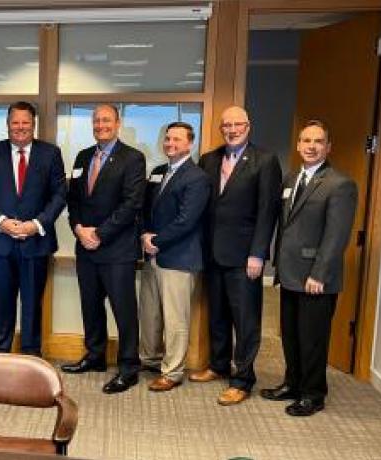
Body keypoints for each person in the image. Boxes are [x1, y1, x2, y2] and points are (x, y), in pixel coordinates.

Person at [261, 120, 357, 416]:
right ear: (299, 145)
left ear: (328, 147)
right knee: (290, 335)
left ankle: (313, 394)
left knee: (312, 339)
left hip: (315, 277)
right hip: (289, 273)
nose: (311, 146)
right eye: (306, 141)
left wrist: (319, 273)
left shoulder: (340, 184)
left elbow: (336, 235)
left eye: (318, 141)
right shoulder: (292, 178)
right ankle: (292, 383)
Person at [191, 106, 282, 406]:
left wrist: (258, 254)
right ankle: (219, 366)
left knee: (245, 321)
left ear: (248, 126)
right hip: (213, 254)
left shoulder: (265, 161)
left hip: (245, 258)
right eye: (226, 125)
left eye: (237, 124)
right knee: (217, 315)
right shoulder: (209, 159)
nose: (231, 129)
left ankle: (242, 379)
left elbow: (268, 211)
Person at [61, 104, 145, 394]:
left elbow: (131, 203)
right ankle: (95, 356)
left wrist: (100, 233)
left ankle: (128, 368)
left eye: (106, 120)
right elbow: (72, 200)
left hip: (117, 250)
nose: (100, 125)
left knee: (124, 311)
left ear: (118, 123)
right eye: (96, 121)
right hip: (86, 248)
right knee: (91, 307)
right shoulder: (83, 157)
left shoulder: (133, 158)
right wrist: (78, 228)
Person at [0, 101, 66, 356]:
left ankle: (31, 352)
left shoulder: (50, 153)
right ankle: (1, 349)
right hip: (2, 242)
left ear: (33, 124)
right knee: (4, 300)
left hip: (36, 242)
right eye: (15, 122)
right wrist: (1, 221)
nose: (20, 127)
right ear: (7, 124)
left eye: (26, 122)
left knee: (32, 302)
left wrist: (36, 225)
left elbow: (59, 195)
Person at [138, 122, 210, 392]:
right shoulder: (158, 173)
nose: (170, 144)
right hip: (152, 255)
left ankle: (173, 371)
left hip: (179, 258)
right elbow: (146, 210)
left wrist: (156, 240)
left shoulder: (197, 178)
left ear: (190, 144)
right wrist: (145, 234)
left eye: (177, 140)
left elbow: (187, 220)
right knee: (150, 315)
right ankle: (151, 360)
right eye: (167, 139)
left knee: (175, 319)